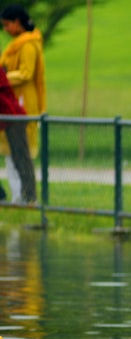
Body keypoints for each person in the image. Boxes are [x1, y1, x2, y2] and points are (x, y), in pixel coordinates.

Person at [0, 4, 43, 204]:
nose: (6, 30)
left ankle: (25, 197)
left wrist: (5, 77)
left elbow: (26, 73)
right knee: (12, 154)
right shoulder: (18, 44)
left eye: (7, 25)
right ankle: (18, 196)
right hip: (10, 105)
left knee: (20, 155)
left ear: (18, 22)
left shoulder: (28, 45)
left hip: (19, 105)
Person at [0, 67, 31, 202]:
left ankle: (30, 196)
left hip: (14, 119)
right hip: (6, 120)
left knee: (21, 159)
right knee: (18, 159)